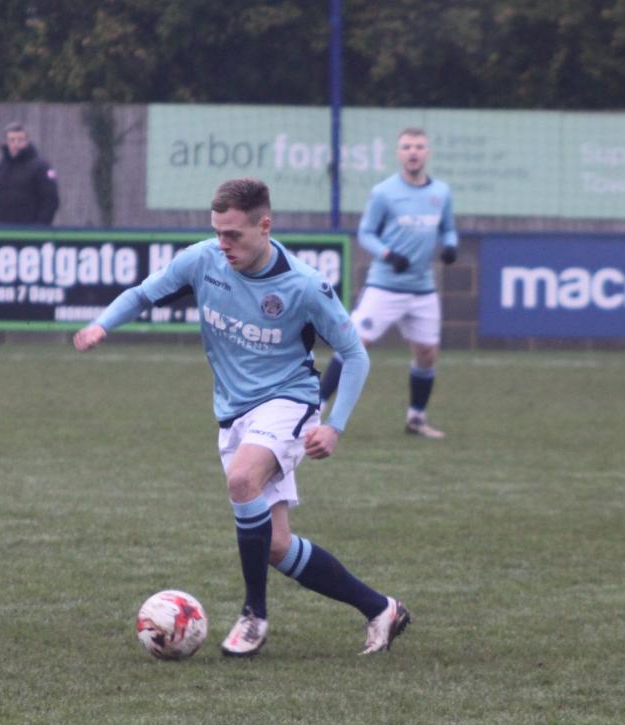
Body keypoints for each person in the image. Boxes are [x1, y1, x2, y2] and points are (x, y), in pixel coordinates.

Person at [73, 177, 410, 657]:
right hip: (233, 414)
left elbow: (355, 354)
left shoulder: (304, 284)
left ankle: (254, 614)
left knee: (242, 480)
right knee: (274, 546)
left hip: (288, 401)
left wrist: (334, 425)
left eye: (233, 234)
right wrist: (101, 324)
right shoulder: (202, 260)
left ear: (264, 225)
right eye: (217, 232)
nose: (223, 243)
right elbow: (142, 295)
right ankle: (381, 609)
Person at [318, 127, 458, 439]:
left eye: (418, 146)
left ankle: (416, 418)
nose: (413, 152)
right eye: (406, 146)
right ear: (398, 153)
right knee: (354, 343)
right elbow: (366, 233)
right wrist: (388, 254)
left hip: (423, 289)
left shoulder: (442, 193)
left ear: (427, 152)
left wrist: (450, 246)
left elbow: (448, 229)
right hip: (385, 286)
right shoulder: (384, 192)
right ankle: (315, 408)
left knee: (427, 354)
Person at [0, 122, 60, 225]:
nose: (16, 144)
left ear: (27, 141)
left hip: (30, 231)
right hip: (0, 231)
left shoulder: (41, 168)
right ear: (6, 142)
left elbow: (50, 200)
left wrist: (40, 227)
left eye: (20, 140)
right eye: (12, 140)